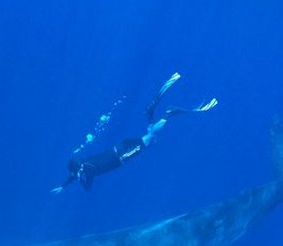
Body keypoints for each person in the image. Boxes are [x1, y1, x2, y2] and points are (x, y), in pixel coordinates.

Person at [53, 72, 218, 193]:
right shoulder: (83, 163)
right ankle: (153, 115)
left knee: (149, 139)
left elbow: (87, 187)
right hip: (120, 146)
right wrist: (63, 185)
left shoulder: (85, 170)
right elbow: (75, 174)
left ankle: (167, 114)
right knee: (149, 137)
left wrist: (80, 180)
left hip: (123, 155)